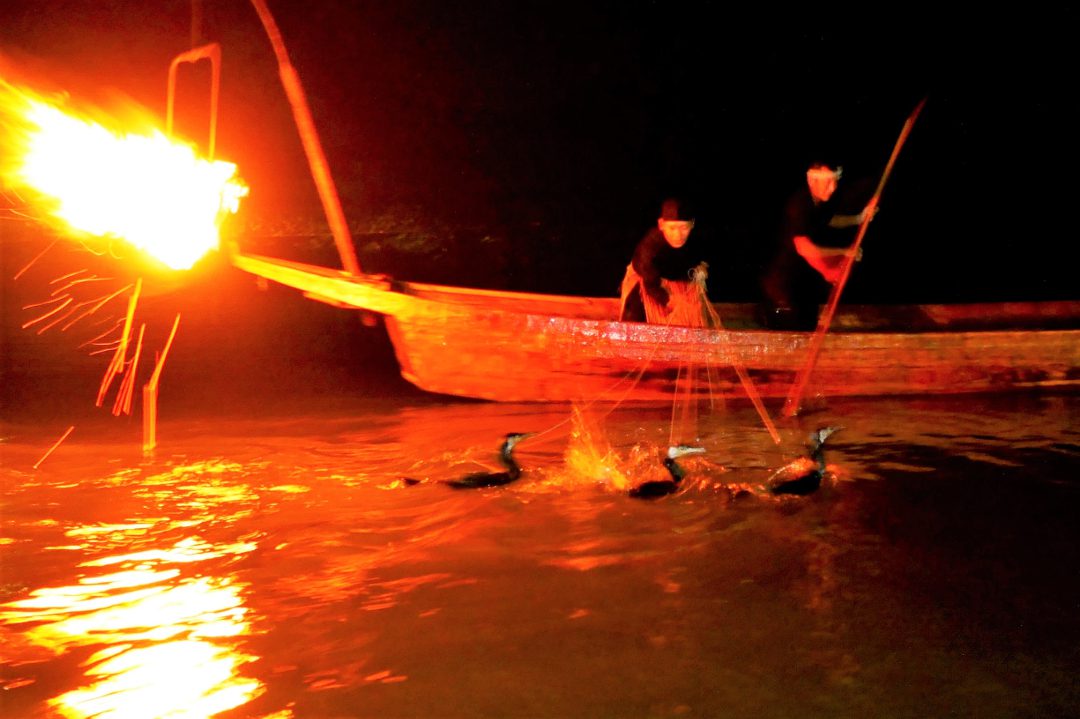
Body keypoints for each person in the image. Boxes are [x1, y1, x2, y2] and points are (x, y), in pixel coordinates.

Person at [761, 162, 876, 330]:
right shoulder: (799, 205)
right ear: (812, 182)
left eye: (835, 181)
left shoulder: (817, 202)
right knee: (796, 334)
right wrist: (844, 253)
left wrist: (859, 218)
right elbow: (806, 250)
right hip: (783, 291)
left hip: (802, 284)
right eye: (828, 182)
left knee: (810, 324)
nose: (833, 187)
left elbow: (830, 220)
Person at [618, 197, 711, 326]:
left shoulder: (698, 239)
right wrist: (670, 301)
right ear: (661, 225)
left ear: (692, 224)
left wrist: (701, 269)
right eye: (672, 228)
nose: (678, 235)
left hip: (680, 284)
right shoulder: (649, 247)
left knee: (695, 320)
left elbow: (701, 260)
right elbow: (651, 285)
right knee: (634, 320)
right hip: (648, 285)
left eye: (684, 228)